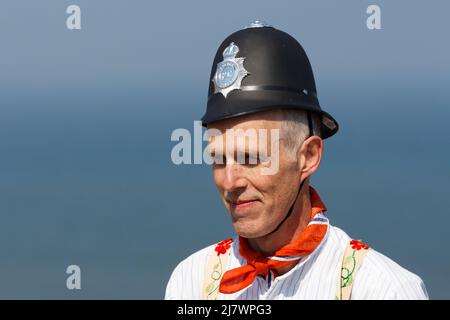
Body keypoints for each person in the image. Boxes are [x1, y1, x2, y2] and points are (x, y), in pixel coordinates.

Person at [165, 21, 428, 300]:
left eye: (251, 158)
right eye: (218, 159)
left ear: (308, 157)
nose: (229, 181)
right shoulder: (190, 280)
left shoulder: (383, 290)